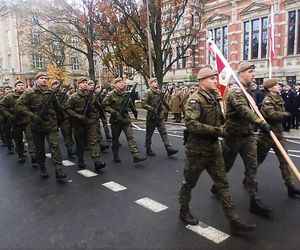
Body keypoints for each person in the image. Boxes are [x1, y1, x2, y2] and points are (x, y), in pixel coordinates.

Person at [178, 67, 256, 235]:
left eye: (216, 78)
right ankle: (184, 210)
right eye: (212, 78)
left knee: (223, 184)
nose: (215, 80)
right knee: (189, 183)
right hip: (197, 152)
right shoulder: (195, 100)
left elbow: (222, 118)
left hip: (214, 149)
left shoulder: (216, 97)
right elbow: (192, 125)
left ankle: (233, 219)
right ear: (202, 81)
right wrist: (218, 131)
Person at [214, 61, 273, 216]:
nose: (253, 74)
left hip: (247, 137)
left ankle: (255, 200)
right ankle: (217, 185)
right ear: (241, 73)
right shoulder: (235, 92)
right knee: (226, 166)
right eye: (250, 72)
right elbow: (244, 110)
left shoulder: (248, 91)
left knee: (252, 167)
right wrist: (261, 124)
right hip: (233, 137)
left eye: (253, 72)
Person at [15, 72, 67, 181]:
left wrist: (61, 118)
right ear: (36, 80)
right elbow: (19, 105)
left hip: (50, 124)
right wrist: (32, 115)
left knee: (55, 146)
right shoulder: (29, 92)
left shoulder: (50, 92)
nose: (44, 80)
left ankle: (59, 169)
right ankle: (43, 168)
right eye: (42, 78)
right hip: (36, 125)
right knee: (39, 149)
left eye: (46, 78)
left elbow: (58, 107)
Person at [257, 78, 300, 197]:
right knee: (257, 161)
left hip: (278, 135)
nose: (279, 86)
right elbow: (271, 115)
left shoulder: (279, 98)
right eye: (276, 85)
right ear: (270, 88)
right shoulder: (268, 100)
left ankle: (290, 187)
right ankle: (248, 179)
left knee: (285, 161)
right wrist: (287, 115)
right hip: (267, 135)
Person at [64, 77, 106, 172]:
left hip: (91, 122)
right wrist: (77, 116)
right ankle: (81, 159)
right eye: (83, 83)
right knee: (80, 143)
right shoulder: (74, 97)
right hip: (79, 123)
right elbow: (66, 108)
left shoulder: (91, 95)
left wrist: (100, 115)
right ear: (78, 85)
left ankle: (97, 162)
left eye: (86, 83)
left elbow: (97, 105)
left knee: (93, 141)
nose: (85, 84)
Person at [102, 78, 146, 163]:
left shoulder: (126, 94)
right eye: (119, 82)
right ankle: (115, 154)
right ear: (115, 85)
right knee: (115, 140)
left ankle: (136, 155)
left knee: (130, 137)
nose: (122, 84)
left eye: (122, 82)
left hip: (125, 120)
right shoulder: (111, 95)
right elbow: (104, 105)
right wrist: (114, 112)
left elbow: (130, 104)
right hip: (116, 121)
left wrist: (134, 111)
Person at [0, 80, 36, 163]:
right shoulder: (9, 97)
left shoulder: (28, 95)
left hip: (27, 120)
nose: (21, 86)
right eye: (19, 85)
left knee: (31, 137)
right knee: (18, 139)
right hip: (15, 121)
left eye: (22, 85)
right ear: (15, 87)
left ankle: (33, 154)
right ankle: (20, 154)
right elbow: (1, 106)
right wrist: (9, 115)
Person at [141, 78, 178, 157]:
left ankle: (168, 148)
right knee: (149, 134)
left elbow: (164, 101)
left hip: (159, 117)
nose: (156, 83)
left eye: (156, 82)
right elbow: (143, 104)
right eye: (154, 82)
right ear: (150, 83)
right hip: (152, 117)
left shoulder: (159, 92)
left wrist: (170, 109)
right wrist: (152, 109)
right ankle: (148, 148)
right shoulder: (148, 92)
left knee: (164, 133)